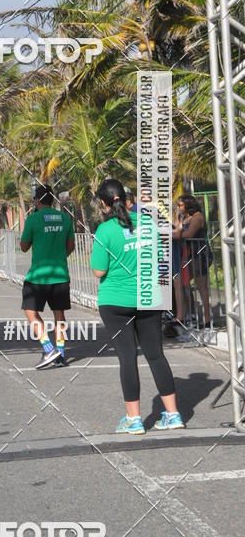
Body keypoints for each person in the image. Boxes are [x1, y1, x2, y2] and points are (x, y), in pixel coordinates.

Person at [91, 178, 185, 435]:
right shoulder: (148, 223)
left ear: (103, 203)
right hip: (148, 298)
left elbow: (99, 271)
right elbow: (159, 258)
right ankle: (173, 414)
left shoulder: (105, 231)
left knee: (127, 357)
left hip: (115, 301)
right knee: (155, 354)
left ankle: (134, 420)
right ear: (125, 197)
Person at [20, 184, 75, 368]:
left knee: (30, 311)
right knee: (59, 314)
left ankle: (48, 347)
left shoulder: (33, 219)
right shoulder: (65, 219)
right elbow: (71, 246)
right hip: (60, 274)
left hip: (38, 276)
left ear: (37, 200)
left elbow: (24, 246)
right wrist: (57, 257)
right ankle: (60, 354)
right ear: (52, 200)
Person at [172, 195, 212, 328]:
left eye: (180, 205)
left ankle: (207, 319)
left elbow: (189, 234)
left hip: (199, 255)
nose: (179, 207)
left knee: (201, 287)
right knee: (180, 283)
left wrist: (171, 235)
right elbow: (177, 230)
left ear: (188, 205)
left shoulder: (197, 217)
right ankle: (185, 315)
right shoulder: (184, 218)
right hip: (188, 256)